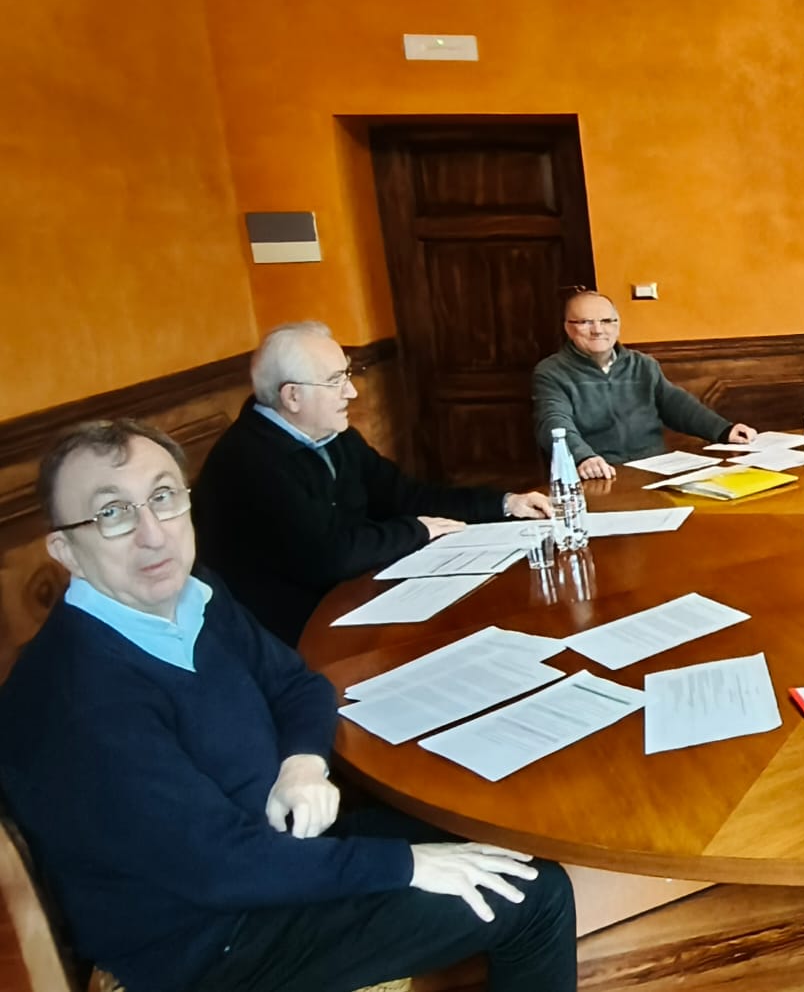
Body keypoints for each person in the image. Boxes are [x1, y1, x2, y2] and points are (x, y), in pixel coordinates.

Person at [0, 419, 576, 992]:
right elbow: (218, 868)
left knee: (493, 822)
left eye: (164, 497)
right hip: (209, 942)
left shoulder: (195, 595)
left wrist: (302, 764)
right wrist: (407, 865)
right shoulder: (79, 698)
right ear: (66, 551)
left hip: (274, 853)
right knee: (534, 896)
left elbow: (296, 686)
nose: (152, 534)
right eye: (112, 513)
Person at [194, 322, 552, 644]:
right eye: (336, 381)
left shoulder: (334, 438)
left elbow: (405, 496)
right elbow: (328, 557)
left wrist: (504, 503)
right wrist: (416, 531)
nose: (352, 392)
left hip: (354, 599)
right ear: (292, 396)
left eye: (348, 374)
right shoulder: (249, 462)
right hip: (290, 637)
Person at [531, 290, 757, 480]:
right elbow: (554, 421)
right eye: (585, 322)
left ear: (618, 325)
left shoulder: (643, 364)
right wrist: (583, 457)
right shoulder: (551, 372)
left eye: (607, 321)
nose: (598, 329)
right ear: (568, 328)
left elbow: (677, 405)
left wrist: (724, 430)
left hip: (656, 468)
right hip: (601, 475)